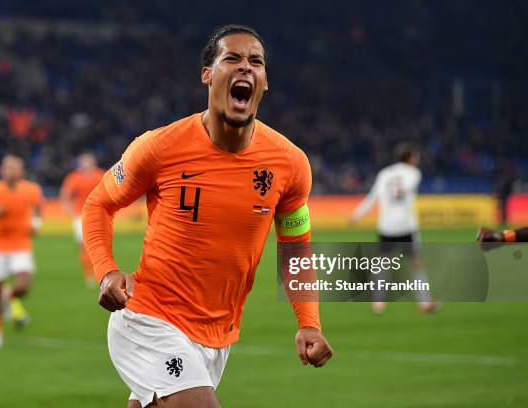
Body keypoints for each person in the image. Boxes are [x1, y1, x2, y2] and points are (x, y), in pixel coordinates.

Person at [82, 24, 333, 408]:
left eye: (256, 62)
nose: (245, 68)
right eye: (231, 58)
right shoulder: (159, 148)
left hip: (217, 337)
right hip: (149, 320)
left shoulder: (290, 164)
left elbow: (296, 249)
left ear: (265, 82)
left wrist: (309, 323)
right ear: (208, 75)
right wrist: (106, 270)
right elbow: (98, 203)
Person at [350, 143, 439, 314]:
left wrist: (356, 215)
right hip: (406, 225)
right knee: (416, 264)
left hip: (386, 226)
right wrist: (399, 191)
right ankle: (425, 302)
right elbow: (404, 189)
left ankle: (378, 303)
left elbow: (372, 197)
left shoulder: (384, 173)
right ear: (411, 158)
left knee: (382, 264)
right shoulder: (414, 173)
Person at [0, 154, 44, 348]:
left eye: (14, 168)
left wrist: (36, 223)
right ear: (2, 170)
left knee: (24, 285)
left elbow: (39, 208)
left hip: (21, 243)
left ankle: (8, 297)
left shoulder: (32, 189)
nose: (10, 171)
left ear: (21, 171)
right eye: (7, 168)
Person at [59, 152, 105, 287]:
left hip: (97, 214)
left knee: (99, 245)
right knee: (83, 245)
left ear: (94, 162)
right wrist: (69, 210)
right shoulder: (74, 177)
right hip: (80, 215)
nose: (85, 164)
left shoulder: (100, 174)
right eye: (83, 161)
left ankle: (101, 272)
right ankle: (89, 275)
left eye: (88, 161)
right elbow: (65, 195)